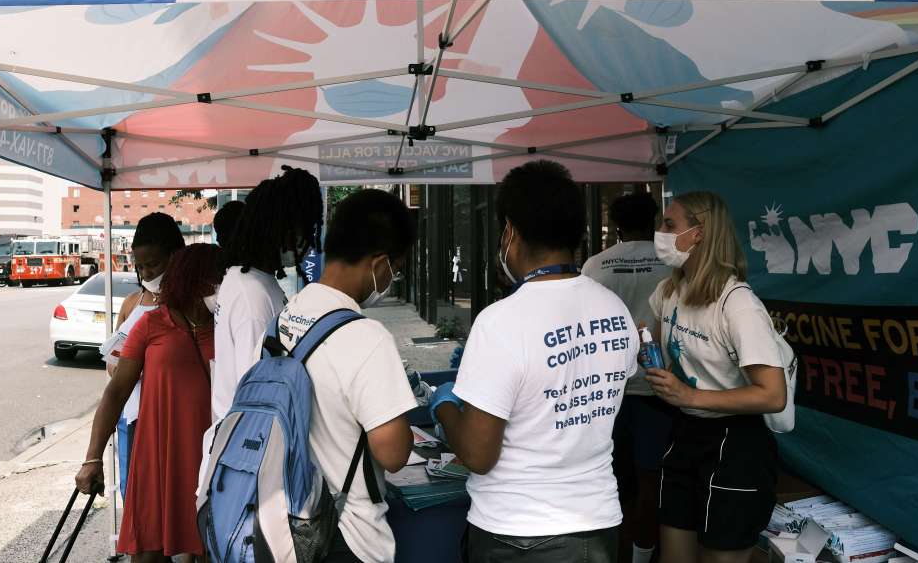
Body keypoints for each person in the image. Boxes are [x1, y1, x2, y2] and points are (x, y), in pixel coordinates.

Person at [431, 160, 639, 563]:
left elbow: (477, 454)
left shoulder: (500, 321)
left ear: (510, 230)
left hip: (518, 533)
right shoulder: (615, 310)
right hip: (599, 526)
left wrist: (443, 407)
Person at [271, 188, 417, 563]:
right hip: (344, 535)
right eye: (396, 269)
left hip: (285, 523)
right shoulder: (366, 338)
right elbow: (395, 453)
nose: (392, 278)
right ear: (381, 263)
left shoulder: (284, 316)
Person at [645, 192, 787, 563]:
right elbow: (668, 359)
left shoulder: (737, 302)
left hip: (736, 443)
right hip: (685, 433)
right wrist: (651, 361)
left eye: (669, 224)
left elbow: (773, 395)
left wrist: (690, 397)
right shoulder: (669, 290)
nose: (659, 232)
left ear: (699, 233)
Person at [77, 243, 223, 563]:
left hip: (210, 460)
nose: (221, 288)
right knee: (147, 553)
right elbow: (115, 393)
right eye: (216, 280)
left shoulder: (226, 327)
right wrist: (92, 459)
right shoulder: (151, 323)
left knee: (207, 550)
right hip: (158, 455)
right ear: (196, 281)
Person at [581, 192, 673, 563]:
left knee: (611, 481)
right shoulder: (671, 264)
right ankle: (642, 555)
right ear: (654, 221)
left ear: (616, 226)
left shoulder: (594, 266)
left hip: (608, 391)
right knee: (651, 480)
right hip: (659, 387)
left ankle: (611, 553)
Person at [211, 166, 323, 425]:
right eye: (299, 233)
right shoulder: (252, 296)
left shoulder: (250, 280)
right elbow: (256, 393)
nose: (304, 241)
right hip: (251, 447)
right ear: (273, 229)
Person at [98, 211, 185, 498]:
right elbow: (113, 368)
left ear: (175, 256)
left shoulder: (189, 304)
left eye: (154, 264)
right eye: (141, 266)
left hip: (172, 417)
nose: (147, 273)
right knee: (135, 496)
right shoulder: (132, 303)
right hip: (131, 414)